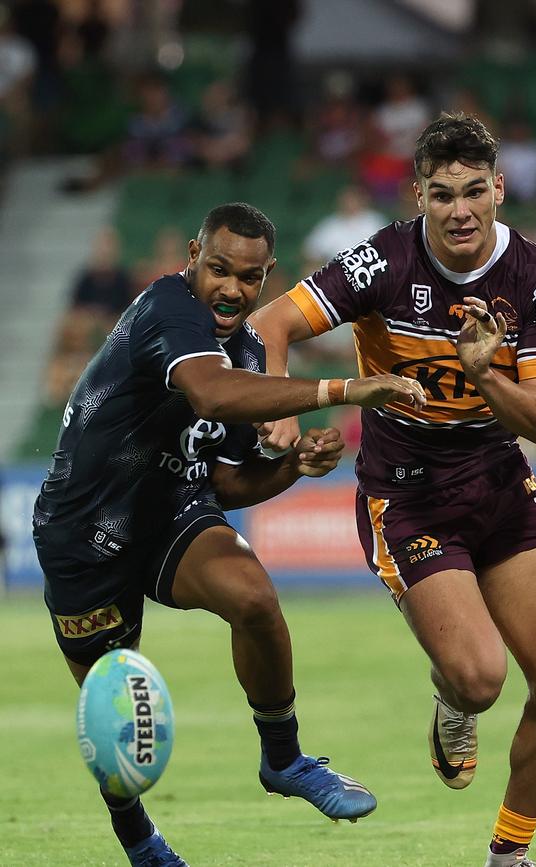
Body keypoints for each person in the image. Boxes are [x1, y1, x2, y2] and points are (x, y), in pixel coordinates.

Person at [32, 202, 426, 867]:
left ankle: (285, 758)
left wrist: (291, 466)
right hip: (84, 533)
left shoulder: (246, 351)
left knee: (255, 597)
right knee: (115, 715)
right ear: (193, 257)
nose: (230, 289)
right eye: (218, 269)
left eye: (248, 278)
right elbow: (212, 395)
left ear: (266, 277)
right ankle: (143, 845)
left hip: (170, 513)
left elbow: (227, 482)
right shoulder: (167, 310)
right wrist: (345, 389)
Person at [250, 113, 536, 867]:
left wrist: (481, 372)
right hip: (407, 494)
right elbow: (272, 323)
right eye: (443, 194)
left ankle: (509, 855)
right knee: (479, 677)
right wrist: (278, 411)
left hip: (499, 480)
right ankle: (453, 699)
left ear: (500, 188)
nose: (460, 209)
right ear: (419, 196)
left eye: (475, 191)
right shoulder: (381, 263)